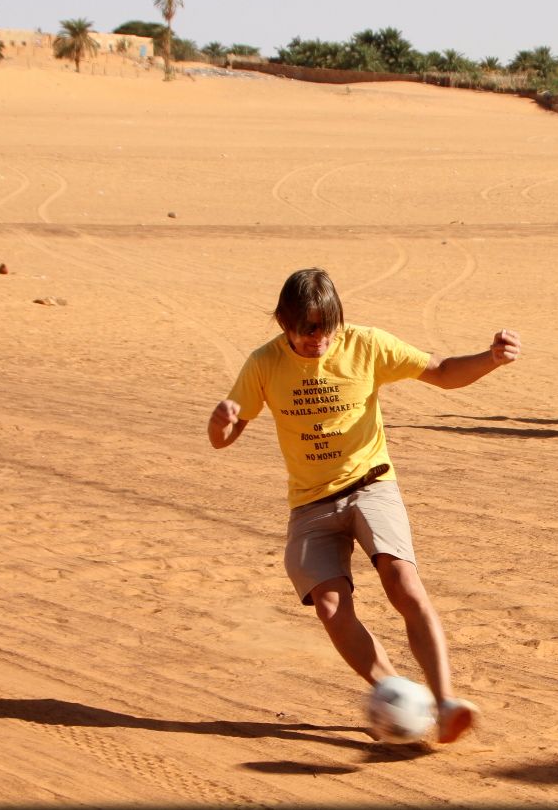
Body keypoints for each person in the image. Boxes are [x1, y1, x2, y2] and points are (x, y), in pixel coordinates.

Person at [208, 267, 521, 744]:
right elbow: (225, 439)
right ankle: (394, 694)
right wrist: (220, 422)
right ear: (282, 323)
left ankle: (445, 701)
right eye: (304, 331)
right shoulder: (263, 363)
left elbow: (441, 372)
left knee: (401, 579)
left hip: (371, 485)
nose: (317, 341)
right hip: (311, 504)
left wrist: (491, 359)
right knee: (331, 606)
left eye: (326, 329)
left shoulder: (366, 345)